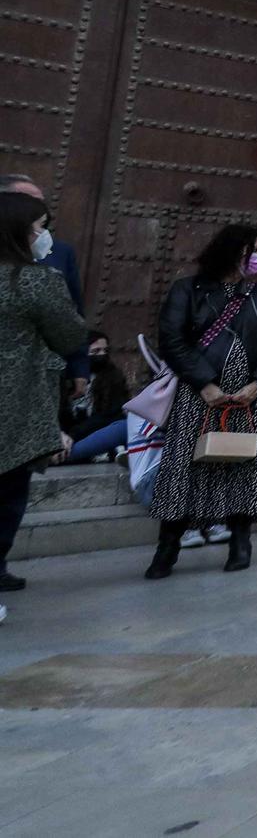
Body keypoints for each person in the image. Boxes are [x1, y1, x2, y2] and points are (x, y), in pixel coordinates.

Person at [145, 223, 257, 579]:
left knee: (244, 467)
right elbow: (172, 340)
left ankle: (241, 540)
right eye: (252, 249)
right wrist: (204, 383)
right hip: (199, 397)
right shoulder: (188, 290)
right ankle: (168, 545)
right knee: (183, 467)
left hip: (249, 399)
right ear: (232, 251)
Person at [0, 190, 89, 595]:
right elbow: (70, 334)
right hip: (16, 401)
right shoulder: (34, 279)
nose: (46, 236)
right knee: (8, 492)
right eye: (40, 228)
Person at [0, 175, 87, 402]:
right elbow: (69, 332)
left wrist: (79, 367)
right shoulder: (40, 279)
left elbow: (73, 314)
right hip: (22, 387)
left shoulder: (60, 253)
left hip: (41, 375)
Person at [58, 331, 131, 464]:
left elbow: (110, 415)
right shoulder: (66, 379)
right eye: (95, 351)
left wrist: (75, 433)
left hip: (95, 435)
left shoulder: (113, 378)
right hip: (68, 438)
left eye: (105, 350)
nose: (101, 355)